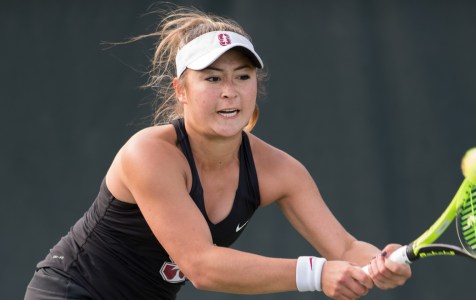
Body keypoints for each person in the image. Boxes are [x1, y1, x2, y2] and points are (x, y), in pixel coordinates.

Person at [25, 4, 411, 300]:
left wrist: (379, 263)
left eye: (242, 77)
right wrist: (317, 273)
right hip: (70, 291)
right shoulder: (149, 153)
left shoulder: (280, 171)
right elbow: (201, 265)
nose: (230, 90)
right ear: (181, 90)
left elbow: (344, 247)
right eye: (212, 78)